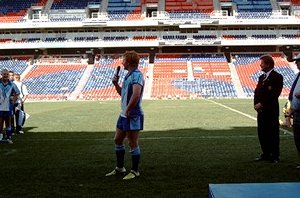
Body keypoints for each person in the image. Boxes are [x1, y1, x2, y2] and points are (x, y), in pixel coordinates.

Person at [105, 51, 144, 180]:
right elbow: (124, 94)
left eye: (123, 60)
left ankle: (135, 171)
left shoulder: (137, 75)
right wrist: (116, 84)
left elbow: (136, 94)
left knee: (132, 142)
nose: (122, 62)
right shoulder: (128, 75)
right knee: (117, 140)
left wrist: (128, 109)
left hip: (132, 114)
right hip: (124, 114)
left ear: (128, 62)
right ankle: (120, 168)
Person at [254, 55, 283, 164]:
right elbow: (256, 93)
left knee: (273, 133)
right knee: (262, 133)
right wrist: (256, 105)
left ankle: (275, 156)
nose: (260, 65)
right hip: (261, 111)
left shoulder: (277, 77)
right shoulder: (261, 77)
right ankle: (265, 154)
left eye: (262, 63)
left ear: (268, 64)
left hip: (271, 111)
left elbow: (274, 94)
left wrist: (261, 104)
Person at [0, 69, 20, 143]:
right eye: (4, 74)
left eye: (7, 74)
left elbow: (17, 93)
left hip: (8, 106)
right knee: (0, 123)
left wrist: (13, 101)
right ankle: (0, 137)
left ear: (8, 75)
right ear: (1, 74)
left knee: (8, 122)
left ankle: (8, 137)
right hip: (0, 107)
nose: (5, 75)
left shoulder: (12, 84)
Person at [287, 54, 300, 169]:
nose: (296, 63)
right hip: (296, 112)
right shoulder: (298, 76)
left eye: (298, 61)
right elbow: (293, 95)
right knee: (298, 139)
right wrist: (290, 111)